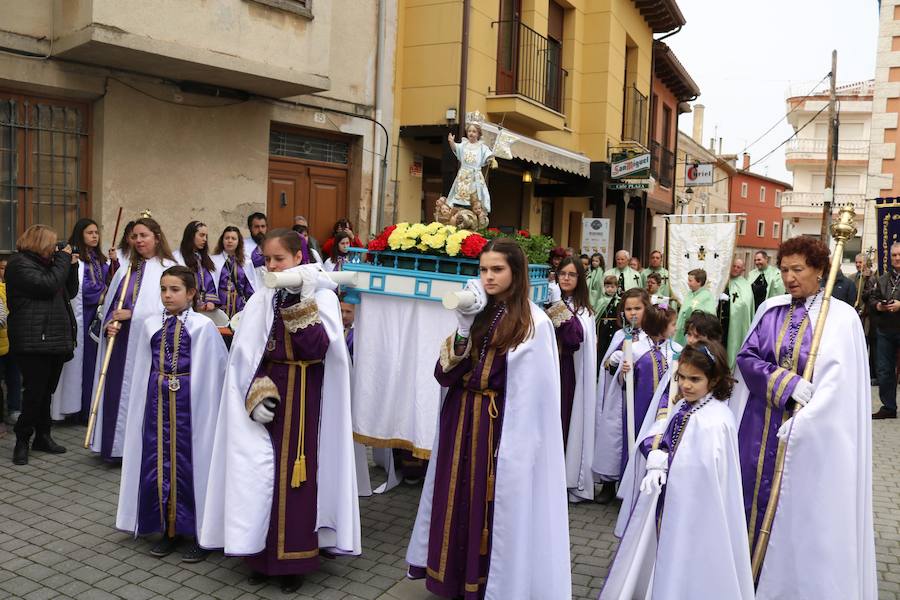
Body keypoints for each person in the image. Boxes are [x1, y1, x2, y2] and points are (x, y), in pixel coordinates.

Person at [406, 238, 571, 599]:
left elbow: (534, 397)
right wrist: (463, 331)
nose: (489, 277)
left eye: (497, 269)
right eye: (483, 270)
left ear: (516, 271)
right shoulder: (476, 312)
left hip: (498, 429)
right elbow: (444, 374)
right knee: (454, 497)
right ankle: (451, 581)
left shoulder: (535, 323)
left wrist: (520, 445)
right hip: (461, 419)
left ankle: (487, 584)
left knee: (489, 502)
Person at [200, 229, 359, 594]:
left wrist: (301, 301)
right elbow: (247, 355)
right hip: (269, 397)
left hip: (307, 397)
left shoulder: (323, 297)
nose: (271, 266)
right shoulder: (261, 299)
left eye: (279, 259)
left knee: (298, 479)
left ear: (299, 259)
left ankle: (294, 560)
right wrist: (254, 391)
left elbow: (319, 349)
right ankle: (260, 554)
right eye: (267, 259)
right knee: (259, 477)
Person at [731, 236, 875, 599]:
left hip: (809, 437)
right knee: (749, 501)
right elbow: (747, 357)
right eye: (784, 270)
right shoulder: (771, 310)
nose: (790, 278)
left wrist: (809, 416)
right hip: (760, 426)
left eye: (798, 269)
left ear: (819, 270)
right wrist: (786, 382)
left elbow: (840, 384)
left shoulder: (840, 318)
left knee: (798, 517)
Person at [602, 341, 753, 600]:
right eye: (681, 377)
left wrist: (667, 463)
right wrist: (658, 455)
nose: (685, 385)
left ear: (714, 380)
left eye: (695, 379)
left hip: (697, 511)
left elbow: (702, 470)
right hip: (671, 503)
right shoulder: (687, 407)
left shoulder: (716, 421)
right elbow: (669, 437)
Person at [116, 266, 227, 562]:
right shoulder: (151, 324)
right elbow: (143, 368)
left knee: (194, 464)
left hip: (193, 409)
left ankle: (202, 533)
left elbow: (215, 373)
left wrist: (205, 409)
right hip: (158, 405)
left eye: (175, 289)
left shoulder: (202, 327)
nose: (167, 295)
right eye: (164, 289)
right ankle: (169, 529)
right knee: (160, 462)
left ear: (191, 293)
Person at [89, 217, 177, 462]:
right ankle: (113, 447)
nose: (138, 240)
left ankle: (137, 449)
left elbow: (174, 308)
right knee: (116, 391)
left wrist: (133, 314)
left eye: (143, 235)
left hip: (148, 346)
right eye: (134, 236)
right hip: (120, 345)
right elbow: (110, 307)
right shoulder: (126, 269)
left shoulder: (169, 268)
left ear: (156, 238)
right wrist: (110, 324)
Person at [5, 225, 78, 465]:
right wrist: (63, 260)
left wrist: (73, 266)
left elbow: (69, 290)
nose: (55, 248)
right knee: (34, 393)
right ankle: (22, 440)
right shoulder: (19, 264)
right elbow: (47, 285)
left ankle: (43, 437)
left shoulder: (51, 266)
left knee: (47, 391)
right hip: (32, 340)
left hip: (55, 339)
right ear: (39, 243)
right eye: (52, 243)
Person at [51, 219, 117, 423]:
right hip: (81, 318)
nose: (95, 236)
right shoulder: (75, 259)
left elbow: (111, 279)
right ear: (81, 234)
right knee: (78, 364)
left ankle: (89, 408)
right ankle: (73, 409)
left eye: (96, 232)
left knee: (92, 365)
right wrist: (104, 292)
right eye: (90, 233)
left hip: (96, 318)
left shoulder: (99, 259)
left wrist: (114, 263)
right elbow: (82, 289)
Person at [545, 257, 597, 502]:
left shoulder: (583, 310)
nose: (565, 278)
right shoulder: (546, 299)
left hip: (567, 373)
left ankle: (561, 476)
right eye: (562, 273)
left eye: (571, 274)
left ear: (579, 279)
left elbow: (575, 339)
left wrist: (557, 305)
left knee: (563, 422)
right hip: (545, 370)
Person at [594, 288, 652, 503]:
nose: (632, 313)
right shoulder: (620, 335)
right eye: (628, 309)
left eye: (637, 308)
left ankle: (631, 487)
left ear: (647, 309)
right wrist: (613, 362)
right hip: (617, 397)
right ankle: (608, 483)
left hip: (639, 397)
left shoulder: (651, 336)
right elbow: (606, 364)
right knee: (612, 436)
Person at [870, 241, 900, 419]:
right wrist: (879, 306)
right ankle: (888, 407)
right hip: (885, 329)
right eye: (894, 255)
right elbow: (872, 299)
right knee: (884, 370)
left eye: (899, 255)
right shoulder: (882, 279)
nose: (897, 258)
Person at [445, 121, 493, 219]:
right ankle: (459, 213)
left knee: (475, 197)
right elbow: (455, 149)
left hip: (475, 176)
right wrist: (451, 142)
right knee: (460, 196)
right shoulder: (463, 145)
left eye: (474, 131)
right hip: (463, 175)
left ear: (478, 134)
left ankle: (475, 213)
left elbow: (488, 156)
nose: (471, 133)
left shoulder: (482, 147)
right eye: (470, 131)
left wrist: (491, 159)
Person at [174, 221, 219, 312]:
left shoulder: (205, 259)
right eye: (201, 235)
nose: (205, 239)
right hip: (185, 308)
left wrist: (210, 302)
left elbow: (210, 283)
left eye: (206, 236)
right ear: (191, 236)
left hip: (205, 310)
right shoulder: (177, 259)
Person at [214, 226, 256, 319]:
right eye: (227, 238)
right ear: (222, 240)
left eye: (233, 238)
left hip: (239, 304)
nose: (230, 241)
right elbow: (211, 284)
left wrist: (252, 305)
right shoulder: (214, 261)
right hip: (220, 303)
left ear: (238, 241)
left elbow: (250, 286)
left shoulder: (246, 262)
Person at [719, 259, 754, 367]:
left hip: (733, 323)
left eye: (738, 267)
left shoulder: (745, 285)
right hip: (718, 321)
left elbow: (745, 304)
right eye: (733, 266)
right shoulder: (722, 281)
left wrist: (729, 301)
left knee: (729, 347)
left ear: (743, 270)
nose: (735, 269)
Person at [0, 257, 22, 428]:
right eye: (2, 268)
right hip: (1, 343)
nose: (5, 272)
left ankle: (14, 409)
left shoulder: (15, 287)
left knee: (14, 378)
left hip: (13, 340)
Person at [674, 268, 717, 346]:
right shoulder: (689, 294)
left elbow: (709, 317)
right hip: (682, 332)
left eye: (690, 281)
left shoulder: (706, 296)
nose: (688, 283)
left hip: (695, 334)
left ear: (699, 282)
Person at [594, 275, 620, 360]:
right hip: (603, 328)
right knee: (602, 347)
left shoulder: (619, 301)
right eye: (607, 287)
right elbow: (596, 316)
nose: (610, 289)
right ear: (604, 287)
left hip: (615, 327)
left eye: (612, 287)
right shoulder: (601, 301)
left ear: (616, 287)